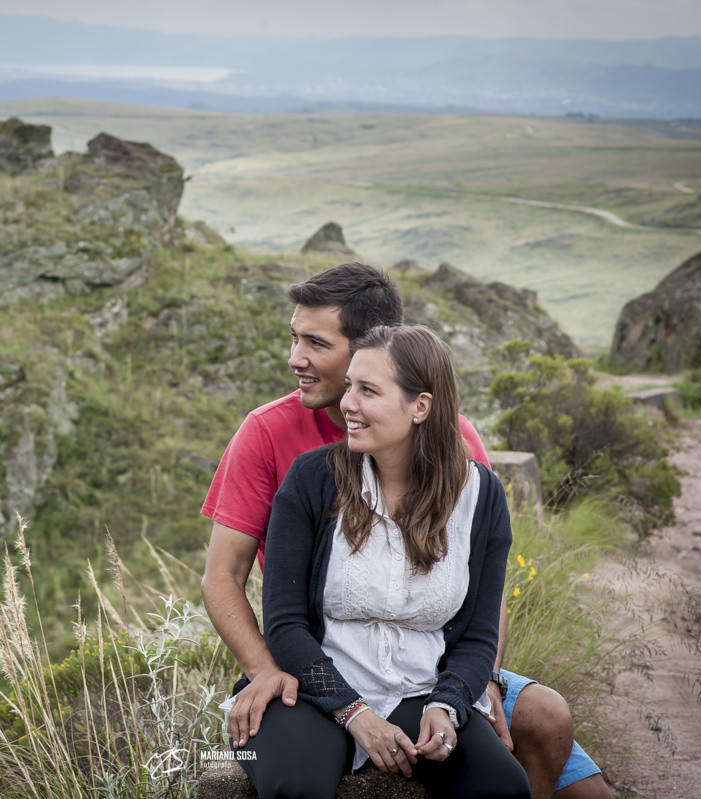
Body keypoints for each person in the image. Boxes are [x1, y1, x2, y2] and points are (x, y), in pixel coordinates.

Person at [201, 263, 610, 799]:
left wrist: (470, 689)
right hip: (317, 662)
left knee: (550, 746)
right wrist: (266, 671)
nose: (294, 358)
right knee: (297, 780)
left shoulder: (463, 460)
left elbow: (481, 596)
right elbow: (227, 580)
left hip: (430, 670)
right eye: (294, 338)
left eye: (315, 343)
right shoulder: (278, 442)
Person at [238, 323, 529, 797]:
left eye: (367, 390)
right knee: (297, 785)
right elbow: (286, 624)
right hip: (314, 691)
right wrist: (356, 714)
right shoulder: (313, 479)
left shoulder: (482, 497)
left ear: (421, 406)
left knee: (502, 788)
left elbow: (478, 634)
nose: (347, 403)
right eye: (350, 385)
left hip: (421, 690)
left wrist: (449, 704)